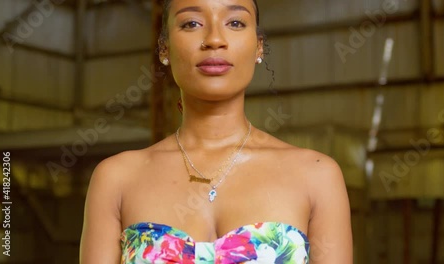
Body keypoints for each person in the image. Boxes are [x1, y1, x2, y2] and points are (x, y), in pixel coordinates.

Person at [79, 0, 352, 263]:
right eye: (192, 23)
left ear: (259, 47)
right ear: (164, 48)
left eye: (234, 22)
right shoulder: (116, 179)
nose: (214, 39)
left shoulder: (317, 176)